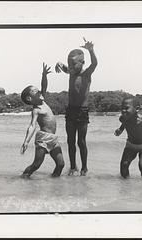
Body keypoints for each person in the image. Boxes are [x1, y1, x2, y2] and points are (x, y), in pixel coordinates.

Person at [55, 37, 98, 176]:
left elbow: (95, 63)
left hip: (82, 111)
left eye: (73, 64)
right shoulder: (71, 72)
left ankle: (84, 167)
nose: (71, 67)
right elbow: (64, 67)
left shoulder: (86, 74)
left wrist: (91, 50)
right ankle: (73, 167)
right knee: (70, 141)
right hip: (70, 110)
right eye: (69, 64)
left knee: (81, 141)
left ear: (82, 62)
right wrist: (59, 64)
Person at [20, 63, 65, 178]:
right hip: (43, 139)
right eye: (36, 92)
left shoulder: (43, 101)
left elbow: (44, 86)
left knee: (60, 164)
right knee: (36, 165)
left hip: (53, 138)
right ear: (30, 98)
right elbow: (32, 126)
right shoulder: (36, 109)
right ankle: (24, 177)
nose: (40, 92)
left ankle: (54, 183)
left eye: (39, 91)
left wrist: (44, 75)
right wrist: (26, 141)